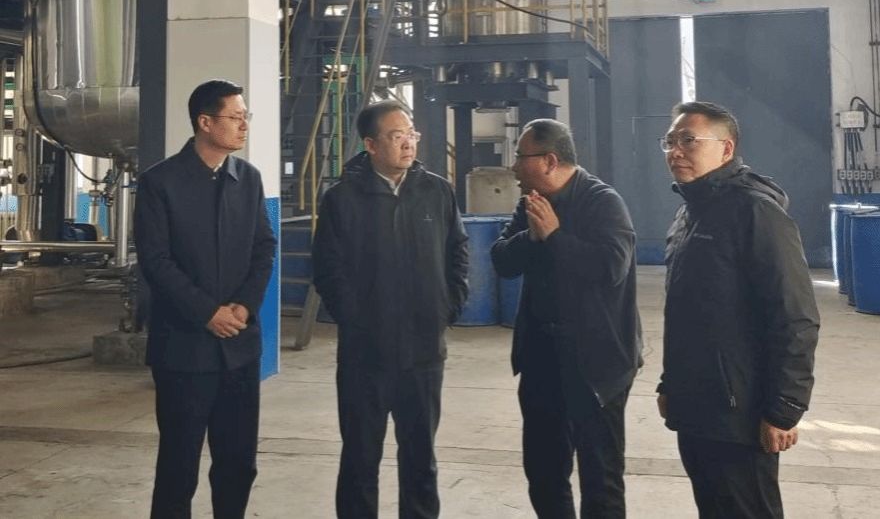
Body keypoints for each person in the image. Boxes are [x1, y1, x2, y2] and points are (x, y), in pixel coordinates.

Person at [657, 101, 820, 519]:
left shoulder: (755, 212)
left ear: (726, 149)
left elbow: (795, 317)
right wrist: (670, 384)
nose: (676, 151)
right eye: (670, 141)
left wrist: (785, 407)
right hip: (696, 406)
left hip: (740, 413)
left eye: (688, 140)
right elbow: (686, 315)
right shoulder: (688, 214)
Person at [312, 100, 469, 519]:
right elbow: (327, 269)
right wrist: (357, 320)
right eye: (397, 136)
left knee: (420, 458)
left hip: (424, 352)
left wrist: (447, 306)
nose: (408, 144)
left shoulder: (436, 190)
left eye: (411, 134)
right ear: (370, 144)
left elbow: (458, 251)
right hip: (365, 356)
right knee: (360, 458)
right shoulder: (342, 199)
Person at [135, 79, 276, 519]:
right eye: (236, 117)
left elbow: (264, 248)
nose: (244, 125)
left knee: (238, 464)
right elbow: (156, 261)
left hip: (239, 348)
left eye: (246, 117)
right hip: (183, 350)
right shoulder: (160, 183)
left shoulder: (248, 179)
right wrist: (206, 312)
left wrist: (244, 306)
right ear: (205, 122)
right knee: (178, 467)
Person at [491, 118, 643, 518]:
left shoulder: (602, 202)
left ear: (549, 161)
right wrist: (533, 236)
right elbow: (502, 260)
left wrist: (556, 238)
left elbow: (611, 268)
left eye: (520, 157)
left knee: (601, 478)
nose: (513, 167)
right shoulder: (532, 202)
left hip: (596, 365)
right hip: (543, 358)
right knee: (544, 471)